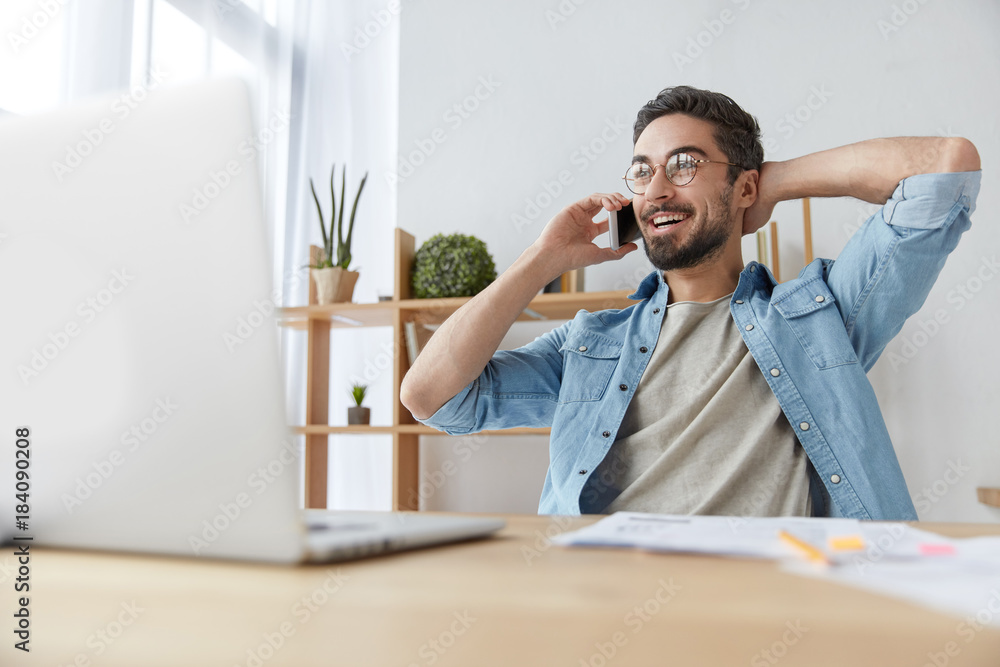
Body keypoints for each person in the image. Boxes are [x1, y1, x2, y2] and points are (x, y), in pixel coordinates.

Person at [399, 85, 981, 520]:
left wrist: (771, 181)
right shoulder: (592, 344)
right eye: (642, 172)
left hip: (767, 612)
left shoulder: (823, 316)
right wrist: (544, 256)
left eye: (684, 165)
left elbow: (946, 165)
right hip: (605, 604)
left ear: (743, 186)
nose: (655, 190)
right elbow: (431, 397)